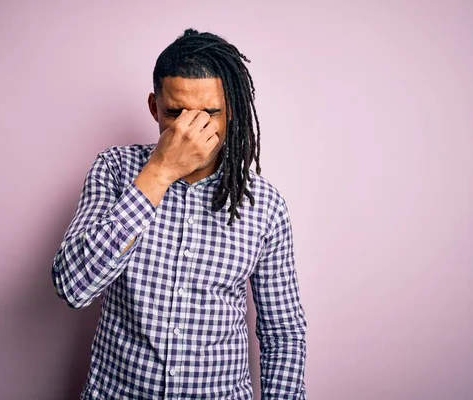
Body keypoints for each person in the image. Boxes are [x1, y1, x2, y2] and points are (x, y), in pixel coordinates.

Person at [51, 28, 307, 399]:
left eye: (210, 113)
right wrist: (159, 172)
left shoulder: (264, 205)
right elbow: (73, 287)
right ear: (154, 107)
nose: (191, 129)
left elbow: (283, 333)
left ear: (231, 109)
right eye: (176, 113)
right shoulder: (115, 170)